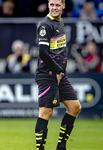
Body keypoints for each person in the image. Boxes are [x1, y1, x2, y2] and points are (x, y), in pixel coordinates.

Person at [34, 0, 81, 150]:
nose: (54, 8)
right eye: (51, 4)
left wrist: (60, 71)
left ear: (63, 6)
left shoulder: (60, 22)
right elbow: (43, 53)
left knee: (75, 107)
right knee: (46, 112)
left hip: (60, 73)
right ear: (48, 5)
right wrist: (57, 70)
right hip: (47, 74)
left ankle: (61, 147)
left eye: (57, 5)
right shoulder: (45, 24)